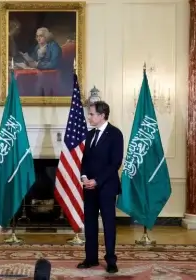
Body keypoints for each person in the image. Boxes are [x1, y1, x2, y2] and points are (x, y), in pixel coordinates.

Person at [77, 101, 124, 274]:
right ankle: (91, 258)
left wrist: (96, 180)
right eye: (89, 114)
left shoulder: (115, 134)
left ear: (102, 115)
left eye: (91, 114)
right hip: (89, 187)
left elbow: (115, 163)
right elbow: (85, 161)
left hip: (106, 187)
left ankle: (111, 260)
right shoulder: (89, 135)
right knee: (89, 224)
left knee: (108, 224)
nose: (89, 117)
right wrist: (84, 177)